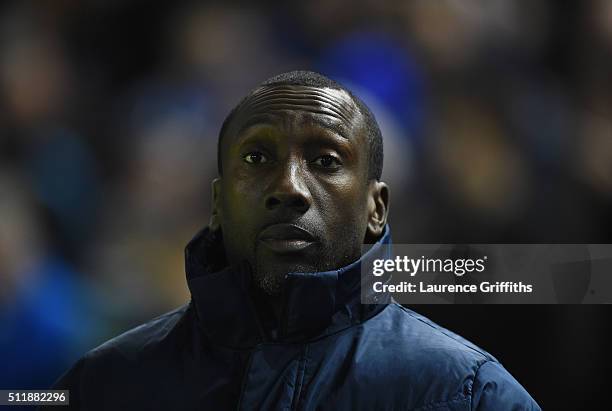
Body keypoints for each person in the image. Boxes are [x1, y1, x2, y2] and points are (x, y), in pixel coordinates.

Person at [49, 71, 540, 410]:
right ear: (217, 204)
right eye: (257, 159)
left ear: (377, 208)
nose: (289, 187)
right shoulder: (102, 385)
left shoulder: (473, 394)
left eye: (326, 160)